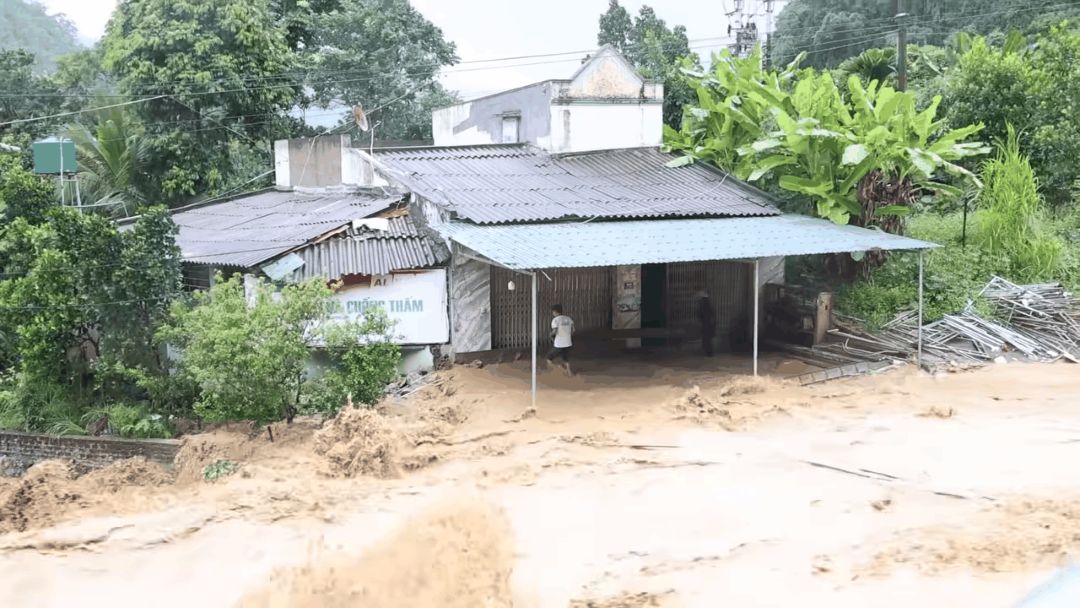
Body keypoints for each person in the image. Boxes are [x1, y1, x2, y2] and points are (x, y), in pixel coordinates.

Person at [547, 304, 575, 376]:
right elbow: (573, 330)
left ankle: (560, 368)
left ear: (555, 312)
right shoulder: (568, 319)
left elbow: (555, 331)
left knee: (549, 359)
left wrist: (550, 335)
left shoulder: (555, 320)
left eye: (553, 312)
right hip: (568, 342)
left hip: (559, 343)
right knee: (565, 358)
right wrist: (567, 335)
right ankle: (569, 372)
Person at [697, 291, 716, 357]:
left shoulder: (703, 306)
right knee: (707, 340)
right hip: (707, 325)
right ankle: (708, 352)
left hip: (706, 325)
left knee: (706, 340)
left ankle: (708, 352)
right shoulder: (708, 305)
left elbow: (700, 315)